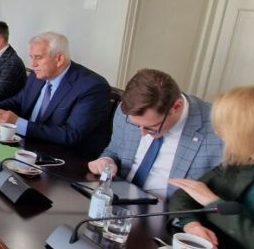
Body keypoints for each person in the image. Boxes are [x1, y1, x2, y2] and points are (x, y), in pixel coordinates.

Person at [168, 85, 254, 249]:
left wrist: (214, 203)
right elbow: (185, 195)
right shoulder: (242, 160)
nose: (219, 134)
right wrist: (190, 223)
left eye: (227, 128)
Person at [88, 69, 223, 198]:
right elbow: (114, 151)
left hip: (168, 209)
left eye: (151, 127)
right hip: (117, 195)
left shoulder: (219, 128)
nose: (142, 133)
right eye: (136, 125)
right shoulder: (129, 110)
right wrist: (106, 161)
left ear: (177, 107)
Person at [0, 32, 110, 158]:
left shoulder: (92, 86)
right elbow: (19, 102)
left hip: (63, 157)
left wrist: (19, 124)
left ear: (59, 59)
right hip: (26, 146)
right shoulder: (38, 75)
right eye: (32, 57)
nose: (33, 64)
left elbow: (71, 135)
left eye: (38, 57)